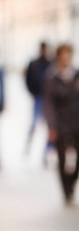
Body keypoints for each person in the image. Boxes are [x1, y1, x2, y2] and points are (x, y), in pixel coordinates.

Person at [44, 44, 79, 204]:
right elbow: (49, 104)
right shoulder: (52, 78)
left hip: (76, 121)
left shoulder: (77, 75)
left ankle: (72, 182)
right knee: (62, 159)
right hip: (60, 124)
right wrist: (51, 126)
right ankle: (66, 190)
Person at [25, 42, 52, 164]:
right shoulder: (34, 63)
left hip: (48, 99)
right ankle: (29, 145)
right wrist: (33, 91)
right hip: (38, 97)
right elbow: (28, 78)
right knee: (35, 123)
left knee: (50, 126)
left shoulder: (50, 64)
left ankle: (47, 153)